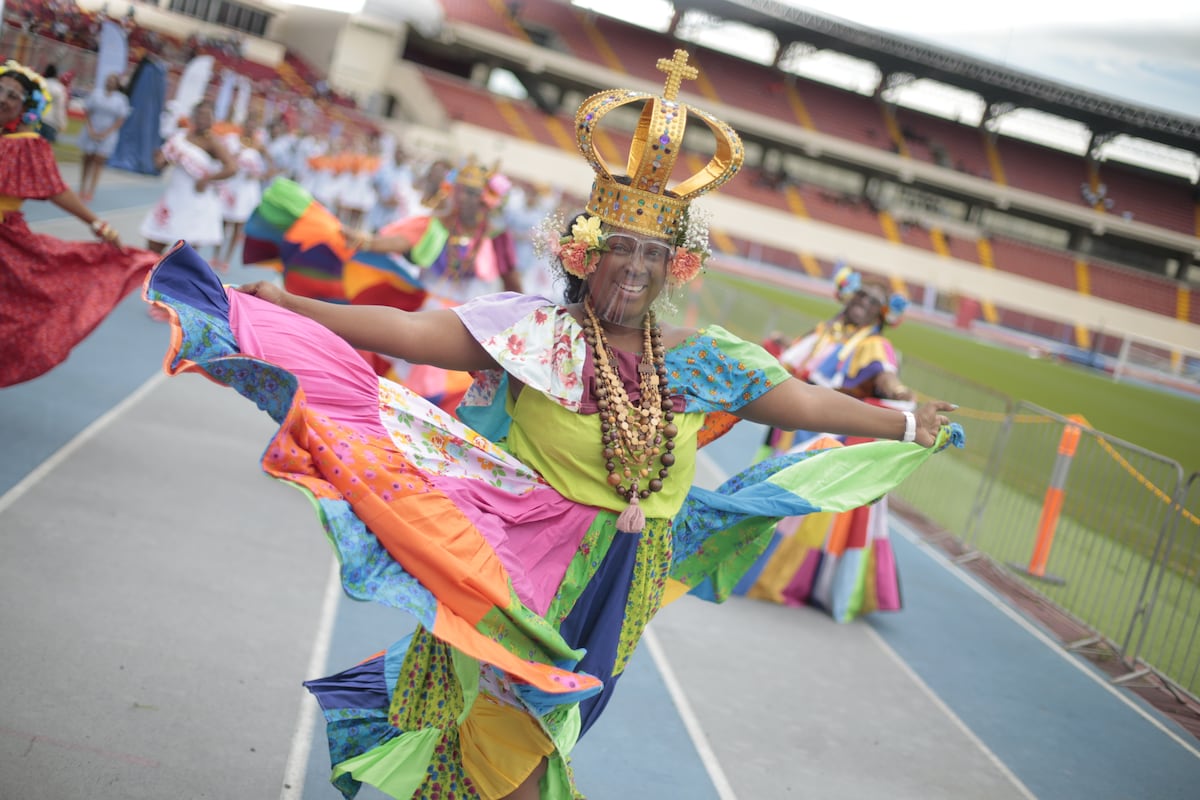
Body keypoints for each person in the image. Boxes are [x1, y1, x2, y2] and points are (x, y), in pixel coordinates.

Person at [141, 50, 960, 799]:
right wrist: (291, 303)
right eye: (621, 250)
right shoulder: (542, 336)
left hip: (624, 578)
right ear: (586, 253)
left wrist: (901, 419)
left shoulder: (699, 358)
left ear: (675, 267)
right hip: (522, 569)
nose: (634, 270)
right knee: (515, 737)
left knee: (522, 731)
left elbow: (804, 402)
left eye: (652, 255)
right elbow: (415, 332)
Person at [738, 267, 919, 622]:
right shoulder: (826, 331)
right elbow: (803, 362)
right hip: (793, 431)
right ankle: (755, 563)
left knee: (800, 512)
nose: (862, 303)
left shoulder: (874, 345)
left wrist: (898, 391)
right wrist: (783, 344)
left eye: (872, 302)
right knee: (771, 497)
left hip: (827, 440)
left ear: (881, 314)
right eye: (860, 295)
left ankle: (781, 578)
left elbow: (885, 374)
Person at [0, 60, 158, 387]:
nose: (3, 99)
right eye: (0, 90)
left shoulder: (25, 145)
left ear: (24, 107)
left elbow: (55, 190)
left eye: (12, 96)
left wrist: (100, 226)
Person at [139, 98, 237, 260]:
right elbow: (161, 165)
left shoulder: (212, 142)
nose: (202, 119)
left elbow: (232, 168)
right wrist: (159, 160)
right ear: (193, 116)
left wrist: (208, 179)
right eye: (199, 115)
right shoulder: (179, 137)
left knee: (186, 252)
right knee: (154, 243)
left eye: (207, 116)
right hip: (174, 196)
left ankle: (175, 283)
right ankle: (149, 278)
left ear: (213, 120)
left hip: (195, 200)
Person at [77, 72, 131, 201]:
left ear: (117, 84)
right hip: (92, 129)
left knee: (99, 160)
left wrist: (106, 133)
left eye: (113, 81)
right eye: (108, 80)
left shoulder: (121, 99)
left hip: (108, 134)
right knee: (87, 158)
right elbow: (88, 111)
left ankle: (91, 190)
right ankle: (82, 187)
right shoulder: (96, 94)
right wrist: (90, 129)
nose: (110, 83)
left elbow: (120, 119)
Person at [37, 63, 67, 143]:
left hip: (37, 119)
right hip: (51, 122)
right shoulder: (59, 88)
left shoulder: (41, 84)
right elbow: (59, 108)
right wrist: (62, 124)